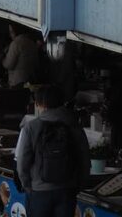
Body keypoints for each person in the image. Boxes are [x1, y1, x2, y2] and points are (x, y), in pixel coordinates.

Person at [16, 84, 90, 217]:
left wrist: (28, 186)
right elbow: (84, 157)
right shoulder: (74, 125)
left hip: (39, 190)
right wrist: (79, 185)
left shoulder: (31, 127)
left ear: (40, 104)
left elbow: (22, 162)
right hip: (67, 189)